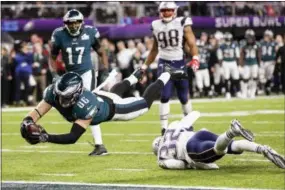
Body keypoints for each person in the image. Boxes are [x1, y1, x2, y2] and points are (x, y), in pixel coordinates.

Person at [19, 65, 188, 147]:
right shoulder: (54, 92)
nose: (62, 100)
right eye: (61, 95)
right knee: (114, 92)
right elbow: (38, 111)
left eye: (67, 97)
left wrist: (46, 137)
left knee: (144, 104)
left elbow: (73, 137)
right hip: (102, 97)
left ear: (76, 94)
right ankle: (134, 76)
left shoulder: (85, 106)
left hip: (114, 109)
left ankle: (166, 74)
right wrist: (26, 121)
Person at [49, 9, 109, 156]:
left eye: (76, 22)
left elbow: (101, 52)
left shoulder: (90, 32)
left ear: (81, 22)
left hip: (87, 73)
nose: (74, 26)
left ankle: (99, 144)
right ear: (66, 24)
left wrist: (104, 70)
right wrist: (54, 74)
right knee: (74, 108)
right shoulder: (59, 34)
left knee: (89, 106)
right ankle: (95, 142)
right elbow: (52, 57)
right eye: (71, 23)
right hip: (71, 77)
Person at [152, 112, 285, 170]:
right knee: (234, 146)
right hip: (199, 134)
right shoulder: (171, 127)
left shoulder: (161, 156)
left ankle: (231, 132)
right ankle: (261, 148)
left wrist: (191, 165)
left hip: (190, 148)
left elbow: (180, 165)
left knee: (220, 150)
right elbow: (192, 117)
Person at [142, 2, 199, 135]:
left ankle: (188, 124)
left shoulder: (183, 22)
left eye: (169, 10)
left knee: (183, 96)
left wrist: (195, 57)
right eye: (164, 10)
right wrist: (144, 66)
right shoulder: (155, 25)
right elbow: (154, 49)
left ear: (174, 11)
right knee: (165, 95)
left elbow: (192, 42)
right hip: (164, 63)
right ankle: (164, 128)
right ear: (160, 11)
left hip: (179, 63)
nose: (167, 13)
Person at [217, 32, 241, 99]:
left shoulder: (234, 45)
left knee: (236, 77)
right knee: (226, 78)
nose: (228, 40)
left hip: (233, 62)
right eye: (227, 39)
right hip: (225, 62)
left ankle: (238, 91)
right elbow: (220, 57)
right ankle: (227, 92)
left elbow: (238, 56)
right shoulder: (222, 46)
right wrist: (221, 66)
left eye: (229, 39)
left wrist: (238, 65)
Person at [239, 29, 261, 99]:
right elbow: (242, 55)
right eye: (248, 37)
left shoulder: (257, 44)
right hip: (246, 63)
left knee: (254, 78)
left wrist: (259, 64)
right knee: (245, 78)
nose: (249, 39)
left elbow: (259, 55)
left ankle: (252, 93)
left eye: (250, 37)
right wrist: (241, 64)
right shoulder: (243, 44)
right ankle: (244, 93)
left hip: (254, 63)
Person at [259, 30, 276, 95]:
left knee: (269, 76)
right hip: (263, 62)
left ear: (270, 36)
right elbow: (259, 51)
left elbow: (277, 52)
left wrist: (275, 60)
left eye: (267, 35)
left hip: (271, 61)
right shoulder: (261, 42)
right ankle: (263, 88)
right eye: (265, 35)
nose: (266, 37)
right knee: (261, 76)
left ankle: (267, 87)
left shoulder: (274, 43)